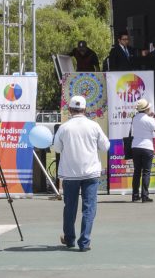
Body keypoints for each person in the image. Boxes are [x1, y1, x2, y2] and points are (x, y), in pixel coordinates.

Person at [52, 95, 110, 252]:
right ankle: (84, 242)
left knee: (70, 207)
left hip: (70, 173)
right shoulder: (94, 126)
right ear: (85, 109)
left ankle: (69, 238)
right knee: (89, 208)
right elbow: (105, 146)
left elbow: (57, 148)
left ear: (70, 109)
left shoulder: (64, 127)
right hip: (91, 173)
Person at [129, 99, 155, 203]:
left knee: (137, 171)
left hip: (135, 147)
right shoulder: (150, 120)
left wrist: (150, 116)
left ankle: (135, 195)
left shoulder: (134, 118)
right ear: (147, 109)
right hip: (147, 147)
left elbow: (142, 120)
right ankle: (145, 195)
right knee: (146, 172)